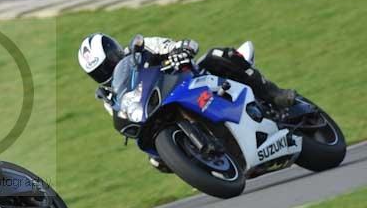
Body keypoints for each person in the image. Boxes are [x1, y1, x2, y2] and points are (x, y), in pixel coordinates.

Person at [77, 33, 296, 171]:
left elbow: (184, 44)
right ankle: (202, 159)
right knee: (157, 162)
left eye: (109, 63)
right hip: (162, 111)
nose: (108, 71)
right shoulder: (111, 97)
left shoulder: (141, 50)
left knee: (218, 55)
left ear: (115, 51)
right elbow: (127, 118)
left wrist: (180, 51)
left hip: (191, 80)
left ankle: (273, 94)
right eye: (100, 72)